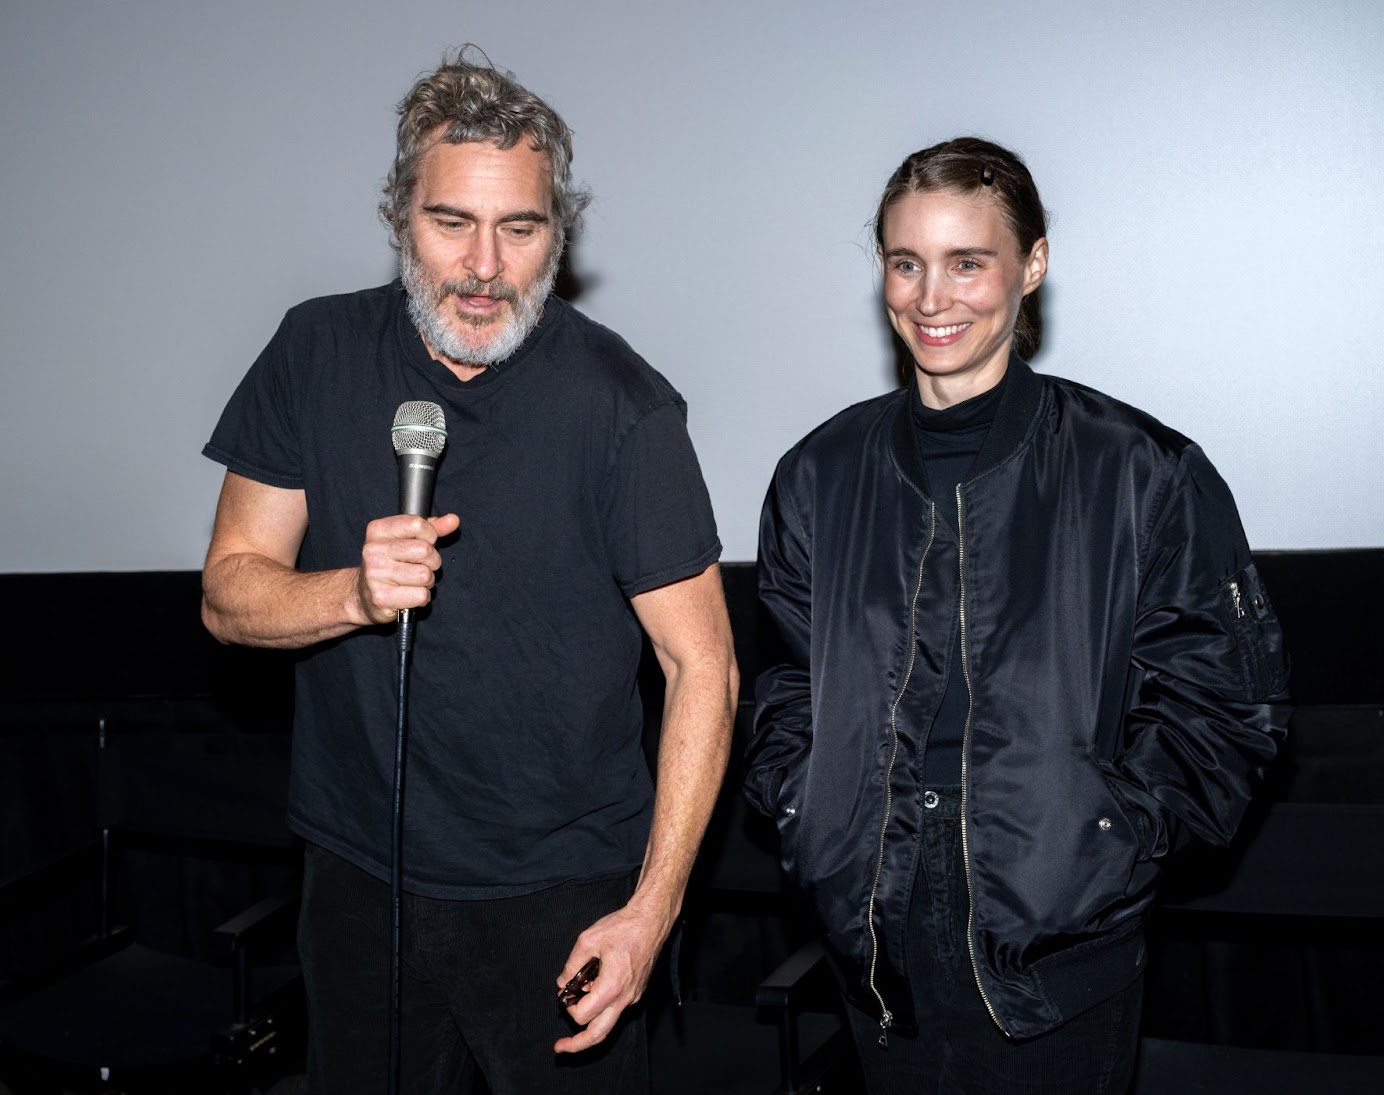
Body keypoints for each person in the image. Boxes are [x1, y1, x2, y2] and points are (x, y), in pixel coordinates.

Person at [200, 51, 737, 1094]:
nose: (485, 266)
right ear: (402, 214)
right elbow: (230, 590)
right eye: (453, 223)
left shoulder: (624, 406)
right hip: (358, 879)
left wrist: (651, 910)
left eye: (521, 229)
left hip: (564, 893)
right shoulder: (314, 354)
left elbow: (703, 667)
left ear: (558, 235)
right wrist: (349, 594)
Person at [745, 137, 1290, 1094]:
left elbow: (1223, 706)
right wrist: (807, 810)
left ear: (1032, 264)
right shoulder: (816, 477)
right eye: (905, 262)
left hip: (1059, 935)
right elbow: (784, 685)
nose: (931, 296)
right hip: (873, 931)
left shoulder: (1141, 472)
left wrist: (1106, 835)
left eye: (968, 261)